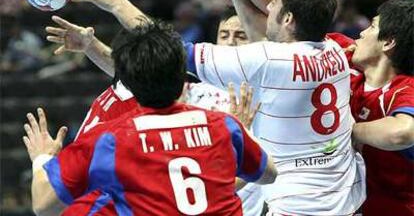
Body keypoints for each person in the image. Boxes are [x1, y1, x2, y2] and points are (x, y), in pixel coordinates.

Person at [67, 0, 365, 215]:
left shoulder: (266, 59)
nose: (268, 6)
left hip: (299, 207)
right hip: (347, 200)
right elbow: (286, 14)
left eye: (274, 2)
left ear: (288, 19)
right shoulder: (334, 50)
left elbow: (170, 49)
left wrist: (117, 5)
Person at [23, 21, 277, 215]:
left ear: (128, 83)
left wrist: (42, 157)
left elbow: (43, 205)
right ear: (183, 80)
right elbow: (269, 174)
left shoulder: (109, 140)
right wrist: (242, 136)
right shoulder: (224, 125)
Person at [350, 0, 414, 216]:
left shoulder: (405, 90)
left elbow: (402, 133)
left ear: (388, 42)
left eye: (372, 27)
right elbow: (297, 20)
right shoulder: (346, 66)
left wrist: (344, 129)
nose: (361, 33)